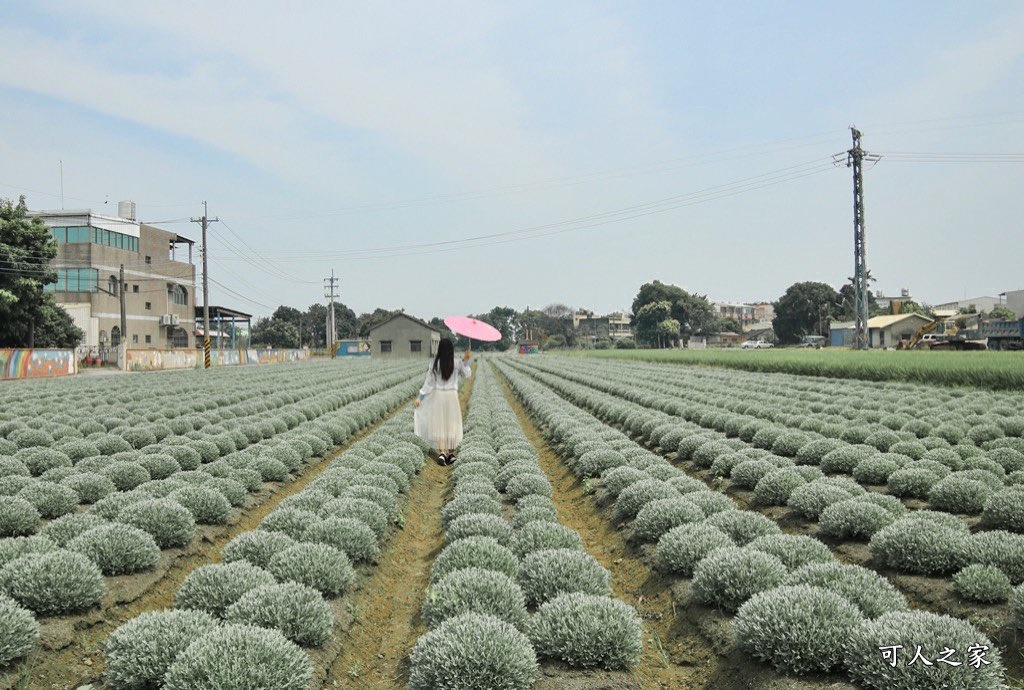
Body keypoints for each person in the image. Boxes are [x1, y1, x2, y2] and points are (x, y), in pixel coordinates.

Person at [414, 338, 472, 465]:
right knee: (451, 423)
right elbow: (467, 375)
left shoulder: (435, 363)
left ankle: (442, 452)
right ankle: (449, 454)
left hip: (439, 396)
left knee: (439, 424)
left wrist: (420, 397)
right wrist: (466, 360)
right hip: (452, 396)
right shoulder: (457, 363)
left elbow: (428, 383)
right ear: (451, 350)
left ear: (439, 349)